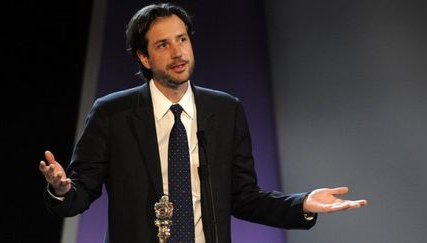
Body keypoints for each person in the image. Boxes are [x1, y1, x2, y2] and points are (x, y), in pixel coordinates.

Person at [39, 3, 367, 243]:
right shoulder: (113, 113)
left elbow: (244, 197)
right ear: (144, 57)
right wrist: (61, 189)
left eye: (182, 39)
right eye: (163, 45)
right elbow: (79, 196)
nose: (178, 52)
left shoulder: (225, 110)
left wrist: (302, 203)